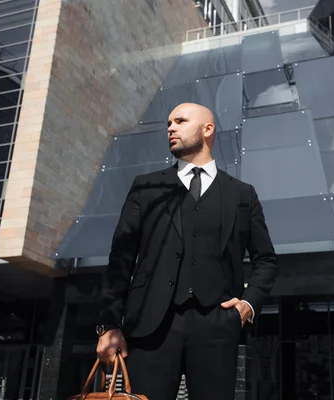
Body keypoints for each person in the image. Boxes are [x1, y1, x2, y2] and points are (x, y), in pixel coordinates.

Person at [95, 102, 278, 400]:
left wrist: (248, 305)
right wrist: (109, 324)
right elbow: (121, 258)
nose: (170, 128)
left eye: (180, 121)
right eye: (169, 123)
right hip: (150, 325)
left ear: (207, 129)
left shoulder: (242, 195)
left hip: (217, 325)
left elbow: (266, 260)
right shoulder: (146, 187)